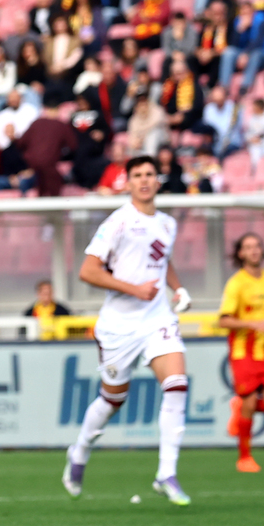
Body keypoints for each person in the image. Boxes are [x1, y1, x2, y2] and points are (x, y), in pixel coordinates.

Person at [63, 155, 194, 505]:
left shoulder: (167, 223)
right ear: (129, 182)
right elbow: (88, 271)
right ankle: (79, 450)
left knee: (177, 385)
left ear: (158, 179)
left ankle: (167, 472)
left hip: (158, 319)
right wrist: (135, 289)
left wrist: (177, 289)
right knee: (112, 399)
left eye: (150, 174)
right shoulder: (118, 222)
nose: (145, 180)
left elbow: (162, 261)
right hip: (120, 326)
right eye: (138, 175)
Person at [219, 233, 264, 473]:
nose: (254, 251)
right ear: (240, 253)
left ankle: (238, 407)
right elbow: (224, 320)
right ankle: (244, 458)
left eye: (257, 246)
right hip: (244, 352)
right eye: (248, 247)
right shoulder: (236, 283)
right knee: (250, 400)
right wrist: (254, 324)